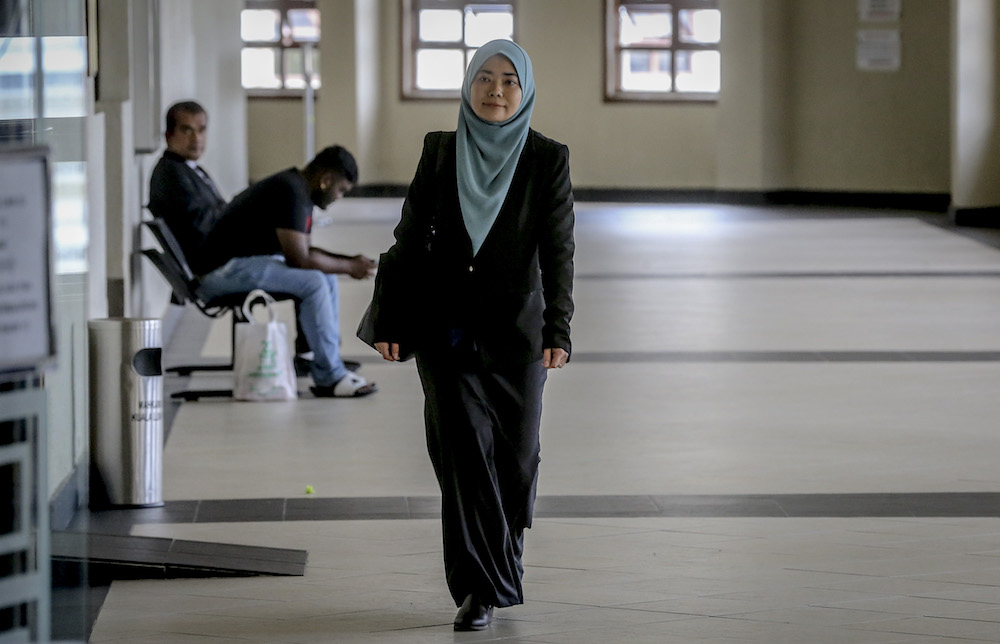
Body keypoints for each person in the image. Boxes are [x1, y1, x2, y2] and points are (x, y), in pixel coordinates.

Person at [367, 39, 574, 630]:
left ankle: (503, 560)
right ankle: (478, 590)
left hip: (517, 335)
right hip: (445, 330)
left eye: (509, 80)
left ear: (524, 89)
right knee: (463, 455)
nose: (496, 90)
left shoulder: (546, 158)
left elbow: (558, 251)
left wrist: (558, 325)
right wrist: (391, 318)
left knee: (515, 459)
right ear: (468, 85)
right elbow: (409, 239)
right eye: (485, 78)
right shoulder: (440, 152)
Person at [198, 145, 378, 398]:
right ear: (326, 180)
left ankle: (323, 358)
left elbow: (303, 251)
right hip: (218, 273)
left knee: (324, 275)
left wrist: (349, 261)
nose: (340, 198)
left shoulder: (295, 186)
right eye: (341, 190)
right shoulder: (291, 191)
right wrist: (349, 267)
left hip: (234, 265)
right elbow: (299, 259)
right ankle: (330, 377)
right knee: (313, 281)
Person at [148, 100, 226, 261]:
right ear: (169, 135)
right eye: (187, 130)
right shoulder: (171, 173)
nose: (196, 138)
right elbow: (200, 226)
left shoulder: (190, 169)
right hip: (211, 264)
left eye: (201, 130)